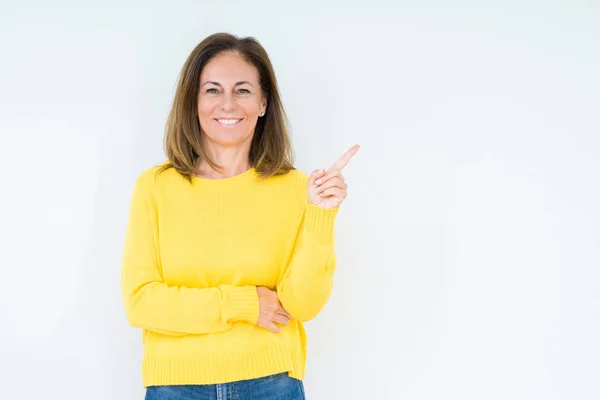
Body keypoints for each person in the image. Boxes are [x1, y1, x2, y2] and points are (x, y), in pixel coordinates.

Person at [121, 32, 359, 400]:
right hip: (174, 387)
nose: (227, 104)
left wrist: (321, 214)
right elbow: (141, 302)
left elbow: (303, 305)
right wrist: (244, 304)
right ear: (194, 101)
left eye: (243, 90)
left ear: (263, 103)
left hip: (272, 383)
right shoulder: (155, 187)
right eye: (213, 90)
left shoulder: (298, 189)